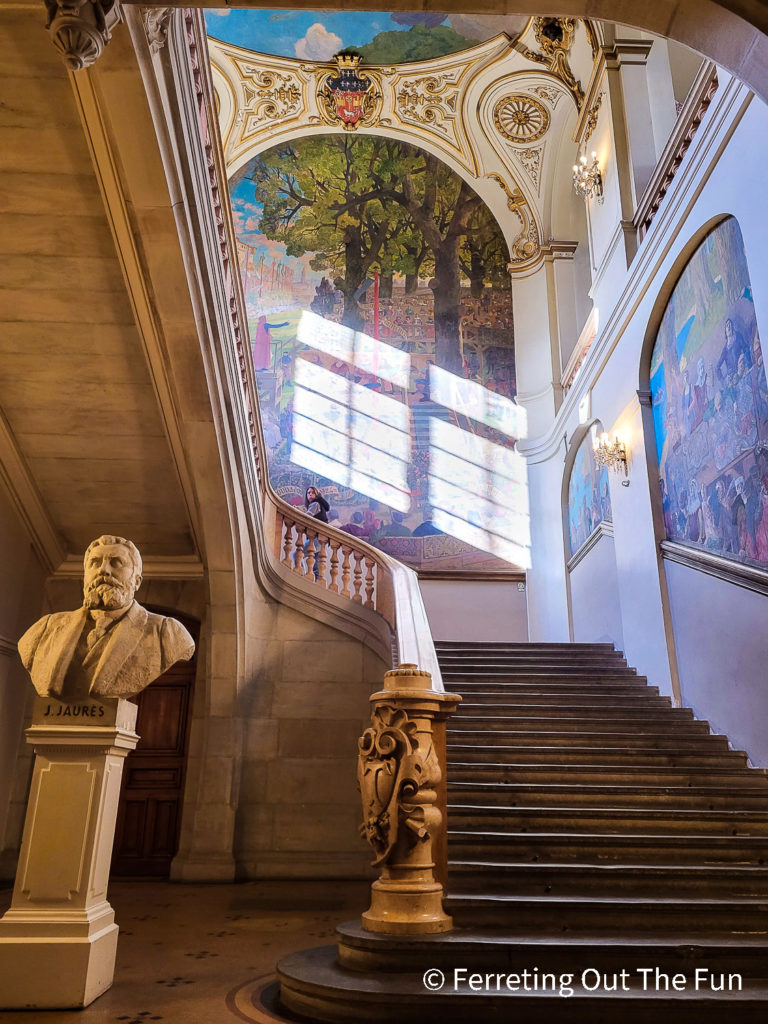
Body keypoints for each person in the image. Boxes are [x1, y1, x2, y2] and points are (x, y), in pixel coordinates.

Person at [17, 535, 194, 700]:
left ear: (137, 581)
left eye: (116, 563)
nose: (103, 570)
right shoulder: (45, 629)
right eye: (95, 563)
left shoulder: (167, 634)